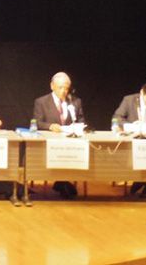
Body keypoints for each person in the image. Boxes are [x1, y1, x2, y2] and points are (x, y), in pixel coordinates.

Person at [32, 71, 85, 199]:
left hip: (71, 144)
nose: (63, 91)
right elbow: (36, 122)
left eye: (66, 88)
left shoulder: (75, 101)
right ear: (52, 86)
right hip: (50, 144)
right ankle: (62, 183)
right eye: (60, 87)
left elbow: (81, 120)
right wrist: (50, 126)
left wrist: (78, 127)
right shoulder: (41, 102)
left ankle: (62, 183)